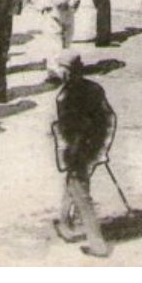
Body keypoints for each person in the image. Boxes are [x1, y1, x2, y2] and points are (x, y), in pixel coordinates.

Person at [50, 50, 114, 259]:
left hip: (78, 151)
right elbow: (109, 117)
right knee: (72, 186)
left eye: (60, 69)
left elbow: (69, 131)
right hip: (94, 147)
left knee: (82, 196)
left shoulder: (66, 96)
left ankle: (98, 245)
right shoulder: (95, 88)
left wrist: (69, 154)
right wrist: (103, 148)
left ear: (66, 72)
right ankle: (64, 225)